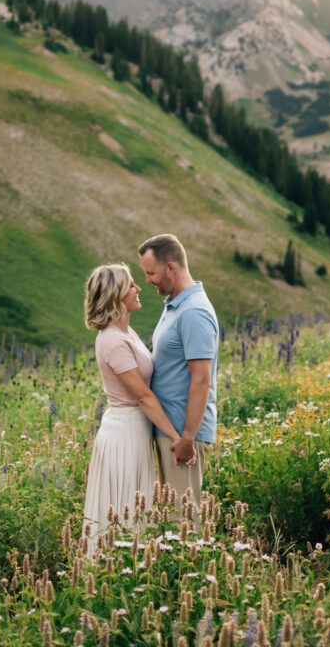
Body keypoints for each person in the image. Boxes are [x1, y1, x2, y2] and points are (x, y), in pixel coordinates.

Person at [82, 262, 187, 546]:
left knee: (135, 505)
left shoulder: (126, 333)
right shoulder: (114, 341)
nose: (138, 288)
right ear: (116, 295)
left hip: (135, 428)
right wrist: (177, 437)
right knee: (126, 504)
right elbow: (142, 396)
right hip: (124, 432)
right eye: (130, 285)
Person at [138, 233, 218, 508]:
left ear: (171, 267)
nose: (147, 280)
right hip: (169, 429)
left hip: (182, 435)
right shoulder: (175, 304)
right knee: (170, 517)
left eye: (151, 273)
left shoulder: (193, 312)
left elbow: (201, 380)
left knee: (184, 517)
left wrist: (187, 437)